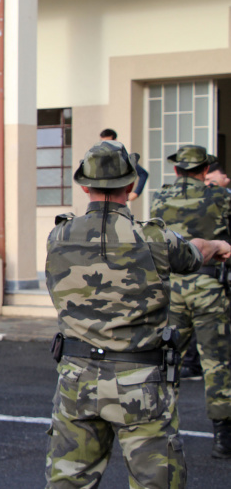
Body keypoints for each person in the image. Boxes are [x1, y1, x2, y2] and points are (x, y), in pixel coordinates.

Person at [45, 140, 230, 487]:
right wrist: (219, 246)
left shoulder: (58, 236)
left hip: (76, 380)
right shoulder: (154, 238)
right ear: (130, 186)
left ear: (84, 186)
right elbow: (196, 252)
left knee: (67, 483)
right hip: (140, 382)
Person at [150, 145, 231, 459]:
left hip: (171, 290)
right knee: (217, 362)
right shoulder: (221, 198)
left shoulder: (160, 197)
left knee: (168, 361)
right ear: (204, 171)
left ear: (175, 170)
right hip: (210, 286)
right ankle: (223, 439)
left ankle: (162, 432)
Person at [99, 129, 149, 201]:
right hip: (101, 201)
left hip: (118, 201)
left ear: (114, 141)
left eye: (108, 142)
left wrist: (136, 193)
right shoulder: (96, 159)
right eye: (103, 142)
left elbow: (143, 174)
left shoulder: (122, 158)